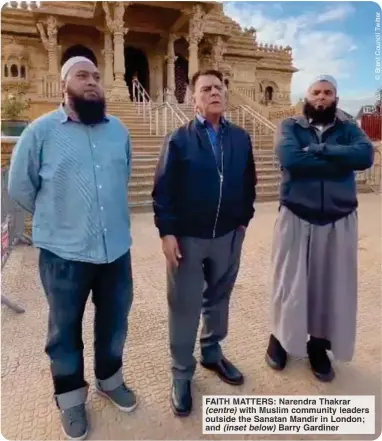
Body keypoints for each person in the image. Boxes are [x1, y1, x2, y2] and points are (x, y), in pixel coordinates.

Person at [8, 56, 136, 440]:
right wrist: (56, 220)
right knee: (64, 331)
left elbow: (123, 177)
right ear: (64, 84)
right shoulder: (40, 131)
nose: (92, 82)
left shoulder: (119, 131)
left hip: (115, 250)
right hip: (63, 256)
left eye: (96, 76)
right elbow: (19, 188)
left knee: (114, 323)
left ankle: (109, 380)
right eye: (82, 76)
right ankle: (69, 398)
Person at [152, 69, 257, 416]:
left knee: (219, 299)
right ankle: (182, 374)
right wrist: (167, 233)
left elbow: (249, 181)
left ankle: (212, 353)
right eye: (206, 89)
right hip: (188, 239)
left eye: (219, 87)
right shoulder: (178, 139)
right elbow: (163, 191)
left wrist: (243, 222)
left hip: (228, 235)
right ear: (193, 98)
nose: (214, 92)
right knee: (185, 306)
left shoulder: (240, 138)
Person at [266, 74, 374, 382]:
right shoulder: (290, 126)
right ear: (307, 96)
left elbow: (365, 155)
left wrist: (320, 151)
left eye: (328, 92)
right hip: (296, 214)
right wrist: (342, 161)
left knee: (330, 286)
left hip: (338, 218)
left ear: (335, 97)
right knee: (289, 282)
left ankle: (318, 345)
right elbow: (290, 159)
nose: (322, 97)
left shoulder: (349, 128)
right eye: (316, 92)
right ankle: (280, 339)